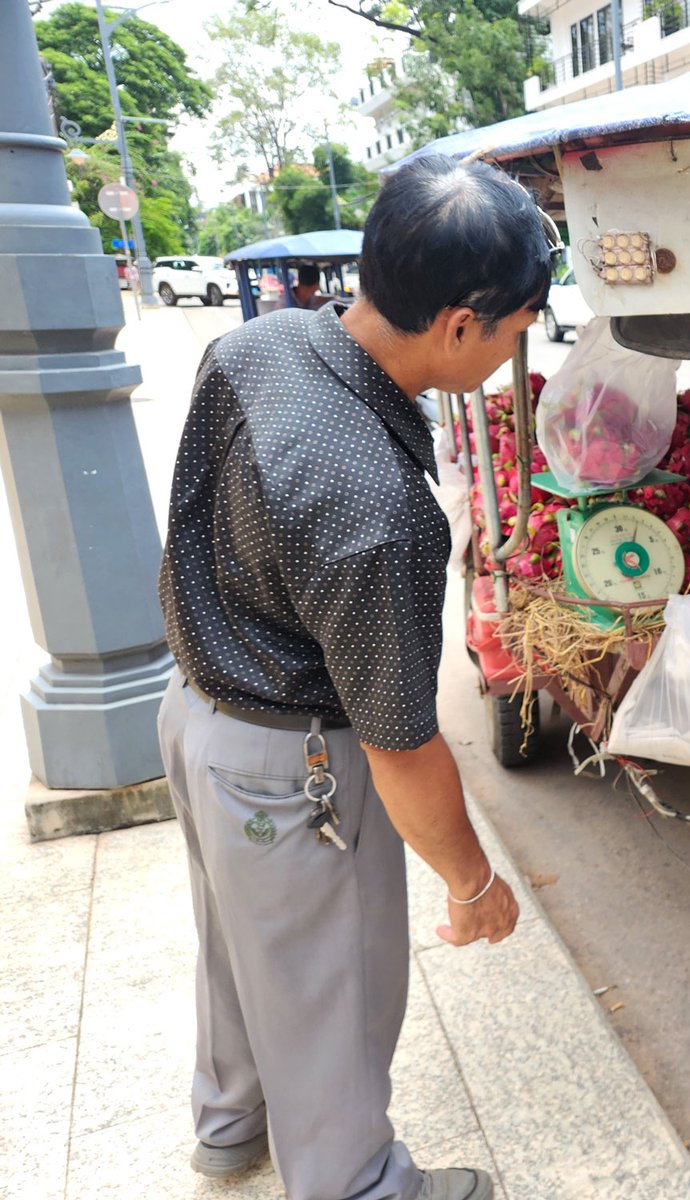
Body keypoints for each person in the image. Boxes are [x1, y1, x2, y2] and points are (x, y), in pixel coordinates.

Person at [157, 155, 551, 1200]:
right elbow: (399, 743)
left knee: (237, 950)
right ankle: (356, 1184)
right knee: (331, 990)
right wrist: (473, 884)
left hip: (194, 714)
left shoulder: (256, 343)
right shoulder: (376, 510)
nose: (519, 345)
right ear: (461, 323)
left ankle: (231, 1127)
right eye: (519, 324)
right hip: (292, 767)